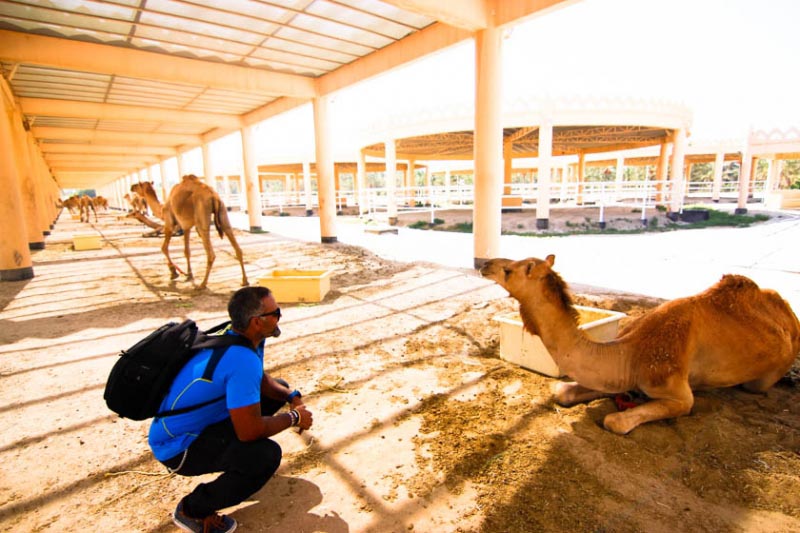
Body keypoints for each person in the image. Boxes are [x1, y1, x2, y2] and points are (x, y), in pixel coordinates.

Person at [148, 286, 313, 533]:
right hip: (178, 447)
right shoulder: (241, 359)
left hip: (198, 424)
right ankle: (192, 509)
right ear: (257, 322)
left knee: (279, 388)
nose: (280, 316)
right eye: (276, 312)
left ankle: (235, 470)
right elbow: (250, 431)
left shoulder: (237, 336)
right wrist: (294, 417)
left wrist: (292, 396)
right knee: (264, 457)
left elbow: (258, 378)